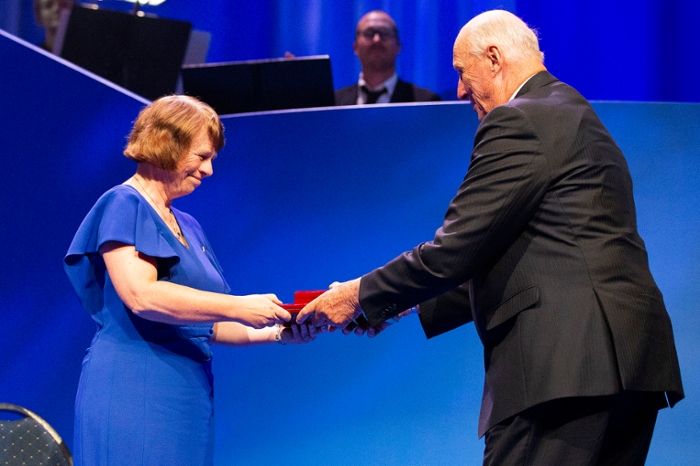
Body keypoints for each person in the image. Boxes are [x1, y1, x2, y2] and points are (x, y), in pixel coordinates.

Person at [298, 9, 684, 466]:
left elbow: (456, 249)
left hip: (563, 371)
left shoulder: (518, 120)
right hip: (628, 366)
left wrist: (357, 295)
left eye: (462, 72)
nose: (460, 91)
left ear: (495, 59)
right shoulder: (571, 110)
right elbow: (540, 248)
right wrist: (408, 301)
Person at [64, 95, 321, 466]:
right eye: (202, 156)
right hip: (135, 388)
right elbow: (141, 295)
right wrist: (239, 305)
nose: (209, 170)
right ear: (166, 145)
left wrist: (280, 328)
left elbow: (210, 324)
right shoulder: (125, 203)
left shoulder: (190, 225)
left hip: (187, 393)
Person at [334, 10, 441, 105]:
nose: (377, 40)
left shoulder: (425, 103)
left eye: (384, 33)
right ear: (355, 47)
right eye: (369, 33)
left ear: (398, 46)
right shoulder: (333, 103)